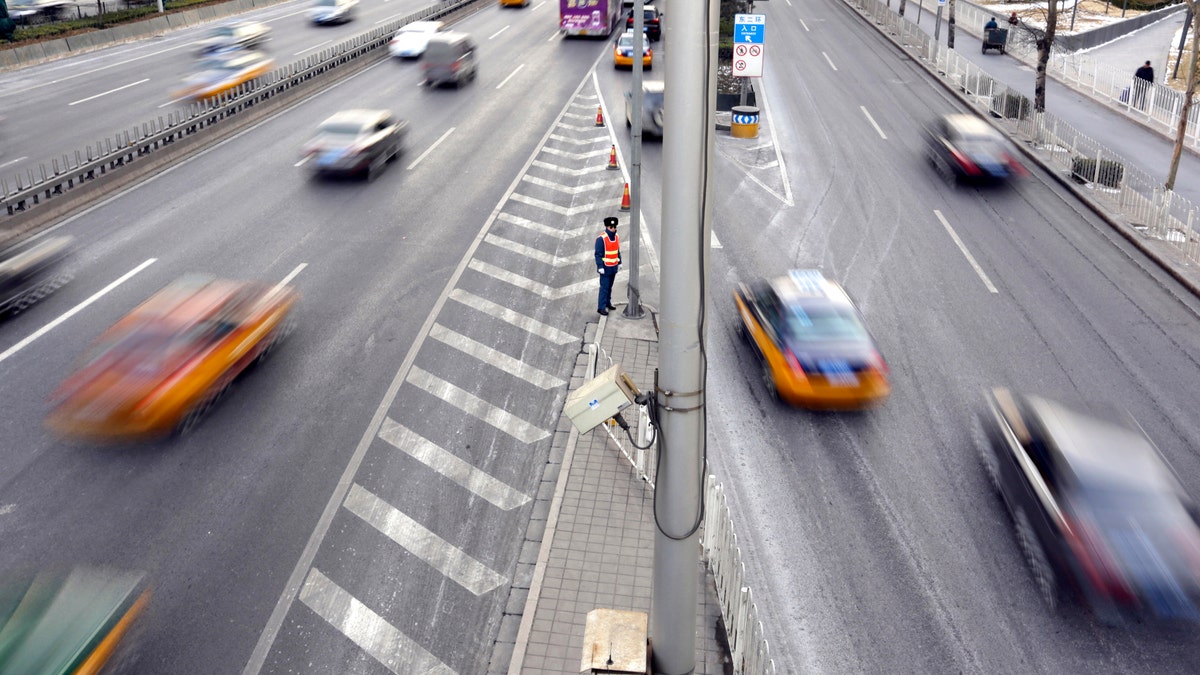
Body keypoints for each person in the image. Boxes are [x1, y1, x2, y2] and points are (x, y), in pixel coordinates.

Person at [594, 216, 621, 316]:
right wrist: (600, 266)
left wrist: (620, 262)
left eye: (614, 226)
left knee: (610, 287)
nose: (613, 228)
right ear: (607, 227)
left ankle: (608, 303)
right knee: (604, 288)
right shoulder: (601, 239)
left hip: (613, 267)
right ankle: (601, 307)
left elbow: (617, 251)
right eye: (611, 227)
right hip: (605, 268)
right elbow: (598, 254)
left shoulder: (616, 236)